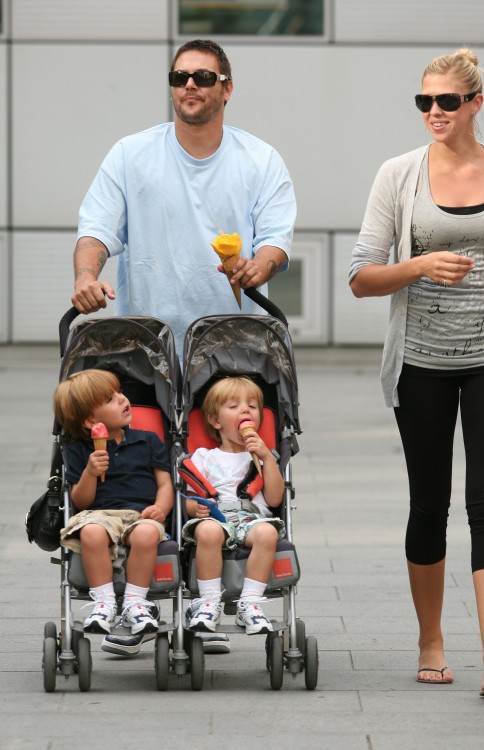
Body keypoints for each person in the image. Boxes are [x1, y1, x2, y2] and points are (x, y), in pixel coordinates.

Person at [70, 38, 295, 654]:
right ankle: (132, 607)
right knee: (143, 472)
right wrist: (86, 277)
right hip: (141, 344)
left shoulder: (259, 159)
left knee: (212, 478)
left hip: (226, 350)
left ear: (227, 86)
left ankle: (206, 602)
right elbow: (95, 229)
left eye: (203, 76)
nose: (189, 86)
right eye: (179, 76)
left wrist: (259, 266)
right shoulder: (132, 154)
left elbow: (276, 239)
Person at [349, 48, 484, 698]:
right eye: (424, 102)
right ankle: (431, 639)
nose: (434, 112)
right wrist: (417, 266)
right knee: (429, 504)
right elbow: (360, 275)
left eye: (446, 101)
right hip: (423, 362)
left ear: (475, 104)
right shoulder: (399, 174)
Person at [54, 369, 174, 635]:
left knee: (145, 535)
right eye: (110, 399)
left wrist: (162, 508)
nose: (122, 399)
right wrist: (90, 473)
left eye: (119, 392)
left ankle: (135, 601)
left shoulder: (148, 440)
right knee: (91, 532)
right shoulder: (79, 449)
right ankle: (104, 601)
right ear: (89, 420)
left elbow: (165, 483)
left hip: (140, 514)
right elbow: (81, 501)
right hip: (99, 514)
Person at [182, 376, 285, 635]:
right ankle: (208, 601)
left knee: (268, 533)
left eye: (252, 405)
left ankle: (249, 603)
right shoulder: (205, 457)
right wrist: (195, 510)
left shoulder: (264, 456)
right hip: (216, 516)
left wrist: (266, 459)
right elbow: (191, 498)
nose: (245, 410)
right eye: (234, 406)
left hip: (251, 517)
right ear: (217, 421)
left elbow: (274, 499)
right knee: (207, 531)